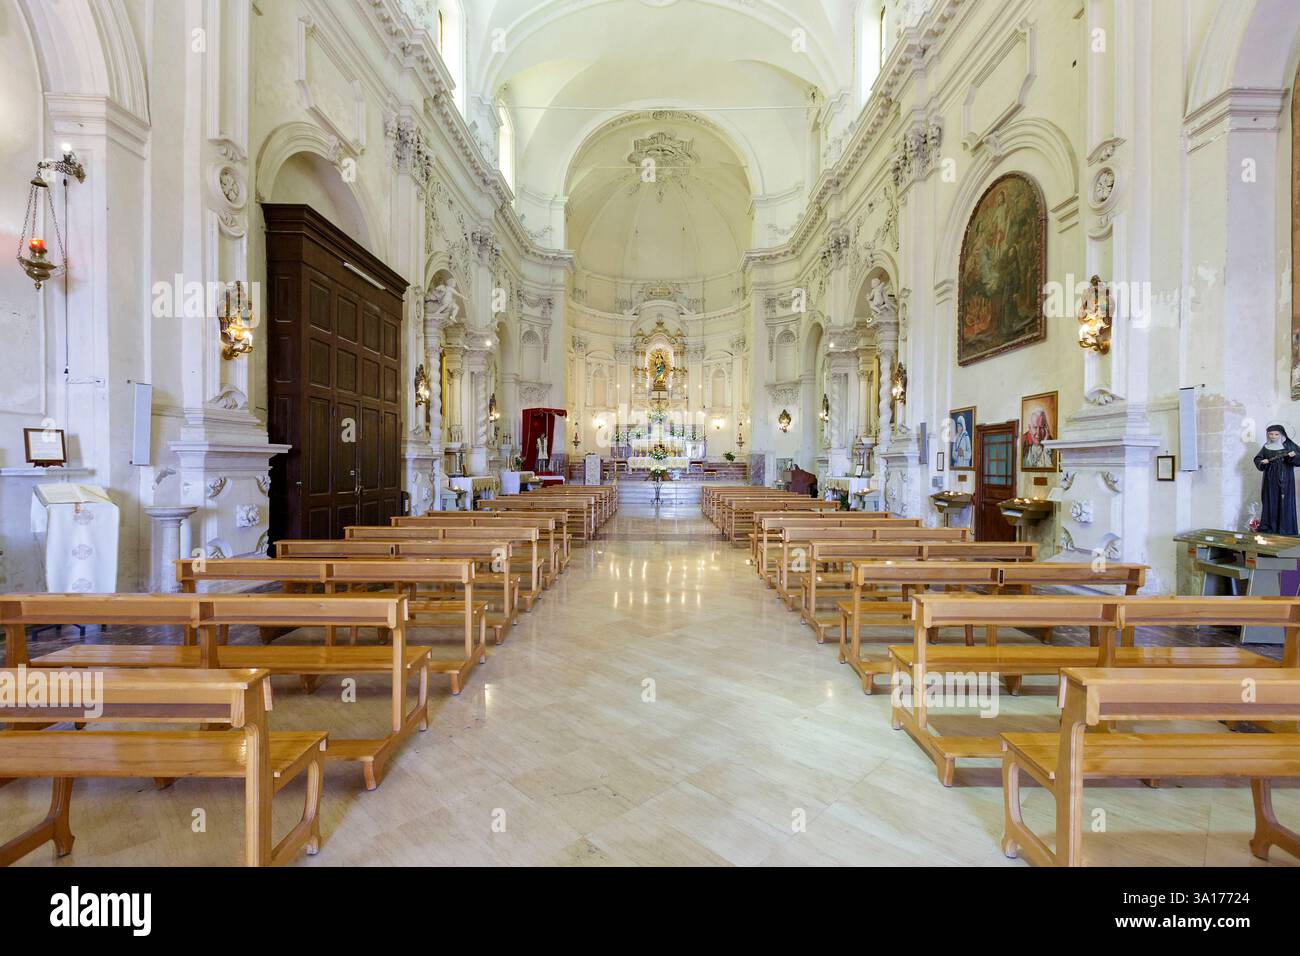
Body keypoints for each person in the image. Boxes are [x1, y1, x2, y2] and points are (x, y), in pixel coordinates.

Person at [1253, 424, 1300, 535]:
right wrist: (1261, 462)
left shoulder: (1289, 445)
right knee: (1270, 502)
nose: (1273, 436)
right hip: (1270, 481)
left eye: (1276, 434)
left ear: (1281, 434)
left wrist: (1293, 456)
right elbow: (1258, 458)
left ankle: (1286, 530)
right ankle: (1270, 529)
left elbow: (1299, 457)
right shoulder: (1266, 446)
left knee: (1285, 503)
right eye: (1270, 434)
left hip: (1286, 480)